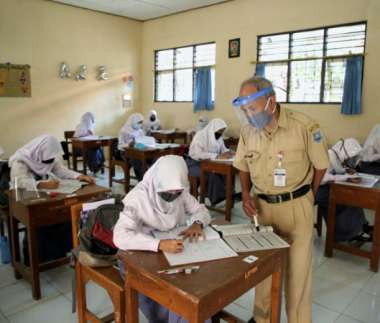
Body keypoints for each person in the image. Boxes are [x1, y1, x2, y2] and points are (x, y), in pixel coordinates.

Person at [232, 76, 329, 323]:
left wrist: (309, 196)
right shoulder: (248, 131)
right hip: (262, 208)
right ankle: (263, 318)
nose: (248, 115)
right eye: (244, 110)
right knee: (263, 271)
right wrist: (244, 193)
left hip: (297, 207)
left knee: (298, 274)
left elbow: (321, 166)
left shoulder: (304, 127)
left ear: (271, 101)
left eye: (252, 108)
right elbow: (242, 164)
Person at [113, 155, 211, 323]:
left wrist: (197, 223)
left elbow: (200, 209)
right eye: (167, 193)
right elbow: (120, 236)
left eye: (177, 192)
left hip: (173, 249)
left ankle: (197, 314)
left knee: (196, 288)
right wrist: (158, 244)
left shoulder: (180, 191)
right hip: (142, 254)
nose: (173, 195)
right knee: (177, 296)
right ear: (157, 183)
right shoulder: (136, 198)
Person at [8, 135, 94, 264]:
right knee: (40, 219)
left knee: (64, 214)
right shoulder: (20, 161)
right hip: (25, 198)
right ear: (39, 151)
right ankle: (36, 257)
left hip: (45, 195)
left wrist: (79, 176)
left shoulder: (48, 157)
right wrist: (42, 184)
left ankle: (58, 253)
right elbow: (19, 182)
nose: (50, 161)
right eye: (48, 159)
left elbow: (60, 170)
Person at [316, 138, 371, 242]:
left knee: (353, 197)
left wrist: (346, 171)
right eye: (348, 157)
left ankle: (361, 227)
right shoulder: (327, 155)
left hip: (324, 187)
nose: (348, 160)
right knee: (343, 200)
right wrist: (346, 177)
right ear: (344, 151)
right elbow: (323, 178)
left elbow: (337, 169)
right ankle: (345, 235)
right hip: (315, 190)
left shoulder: (335, 155)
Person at [187, 118, 234, 205]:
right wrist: (216, 156)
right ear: (213, 128)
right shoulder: (201, 135)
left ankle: (227, 195)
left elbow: (223, 149)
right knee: (212, 173)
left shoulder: (219, 138)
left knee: (224, 173)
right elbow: (196, 154)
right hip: (194, 163)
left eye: (222, 131)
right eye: (219, 131)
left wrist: (228, 152)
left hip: (210, 163)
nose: (220, 133)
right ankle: (217, 198)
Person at [117, 113, 152, 181]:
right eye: (139, 123)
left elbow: (142, 141)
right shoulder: (123, 131)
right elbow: (120, 145)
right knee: (138, 161)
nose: (140, 124)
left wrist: (148, 140)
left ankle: (148, 179)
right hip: (125, 152)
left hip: (138, 152)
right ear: (133, 121)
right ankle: (143, 181)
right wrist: (129, 144)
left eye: (141, 122)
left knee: (152, 158)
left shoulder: (140, 131)